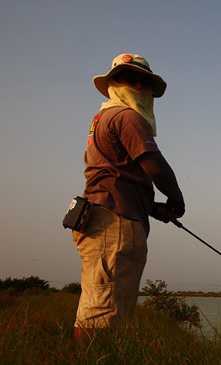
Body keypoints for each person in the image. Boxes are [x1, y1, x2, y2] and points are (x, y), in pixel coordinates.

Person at [71, 53, 185, 342]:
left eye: (144, 81)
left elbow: (118, 176)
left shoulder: (102, 118)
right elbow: (154, 166)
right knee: (105, 312)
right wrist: (176, 199)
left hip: (100, 217)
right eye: (128, 77)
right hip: (114, 223)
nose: (137, 84)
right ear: (113, 82)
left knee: (97, 304)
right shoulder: (127, 116)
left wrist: (152, 208)